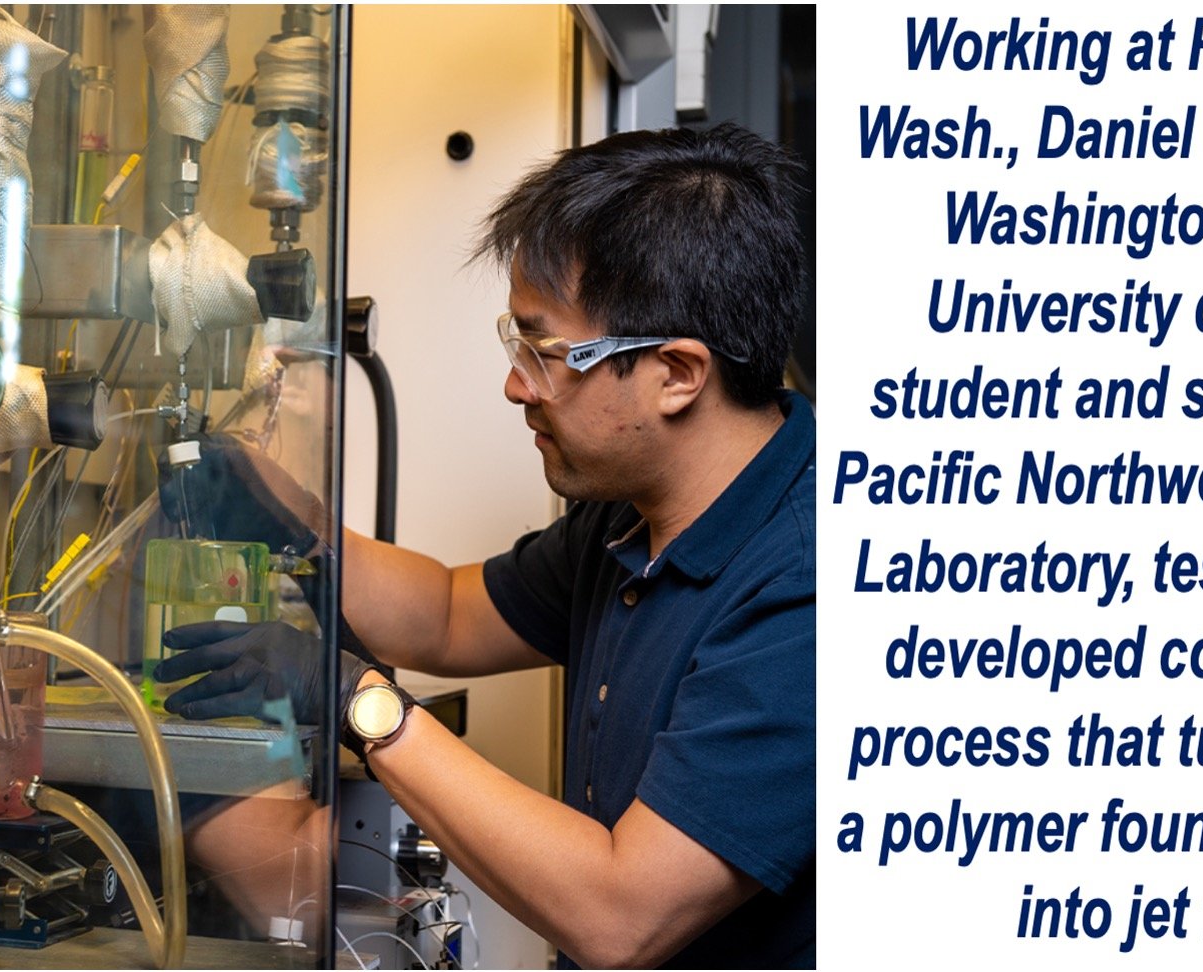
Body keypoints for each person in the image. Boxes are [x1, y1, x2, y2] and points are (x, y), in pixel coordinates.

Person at [156, 122, 814, 968]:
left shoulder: (808, 584)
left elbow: (621, 916)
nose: (515, 385)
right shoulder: (633, 516)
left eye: (543, 353)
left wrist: (360, 700)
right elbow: (445, 615)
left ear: (678, 374)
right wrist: (289, 522)